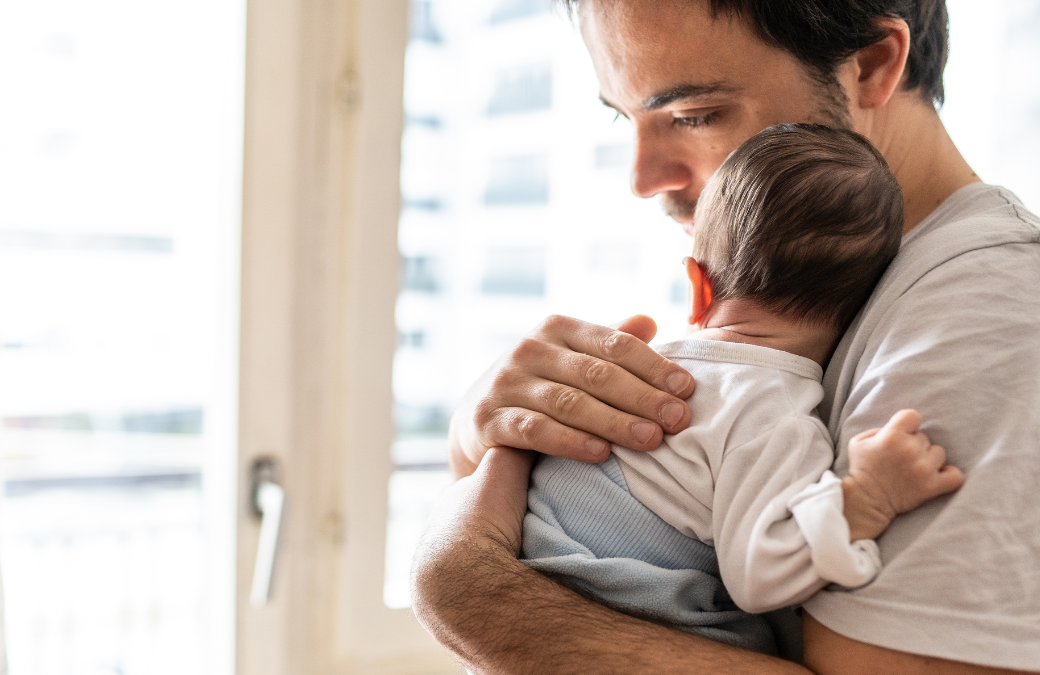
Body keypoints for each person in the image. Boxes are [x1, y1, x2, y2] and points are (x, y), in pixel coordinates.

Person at [411, 1, 1040, 673]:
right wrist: (485, 446)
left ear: (873, 63)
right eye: (621, 118)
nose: (642, 179)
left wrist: (466, 590)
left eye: (694, 115)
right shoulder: (800, 301)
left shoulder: (987, 317)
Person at [520, 123, 963, 658]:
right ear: (858, 315)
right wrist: (867, 498)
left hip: (534, 572)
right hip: (615, 596)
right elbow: (761, 576)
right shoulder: (774, 417)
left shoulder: (637, 368)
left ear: (697, 285)